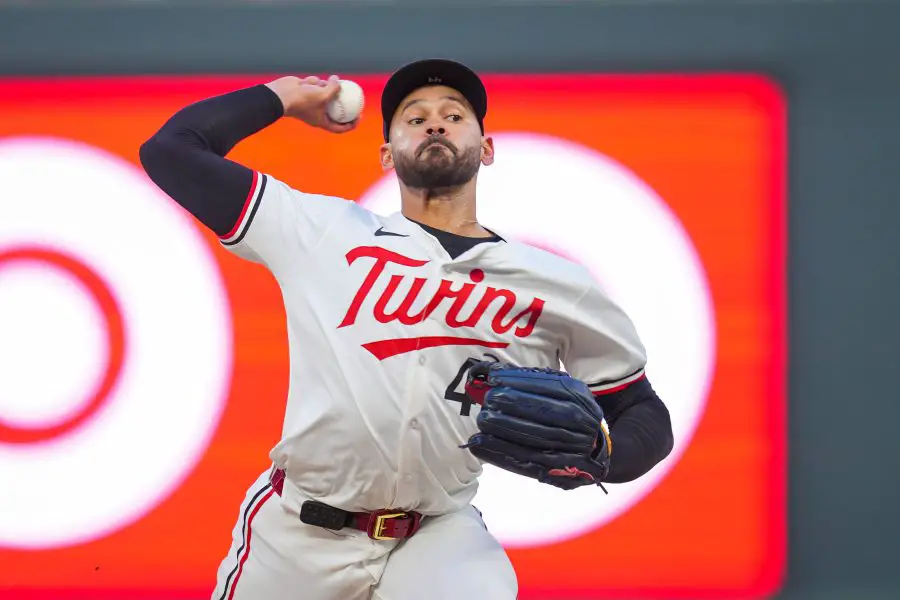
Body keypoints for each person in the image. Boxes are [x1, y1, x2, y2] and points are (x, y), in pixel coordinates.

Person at [139, 58, 674, 600]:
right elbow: (172, 151)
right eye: (414, 118)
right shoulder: (324, 231)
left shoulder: (556, 283)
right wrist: (283, 95)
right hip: (298, 534)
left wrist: (604, 452)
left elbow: (644, 413)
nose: (434, 123)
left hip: (436, 535)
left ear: (487, 149)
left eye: (454, 115)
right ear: (386, 153)